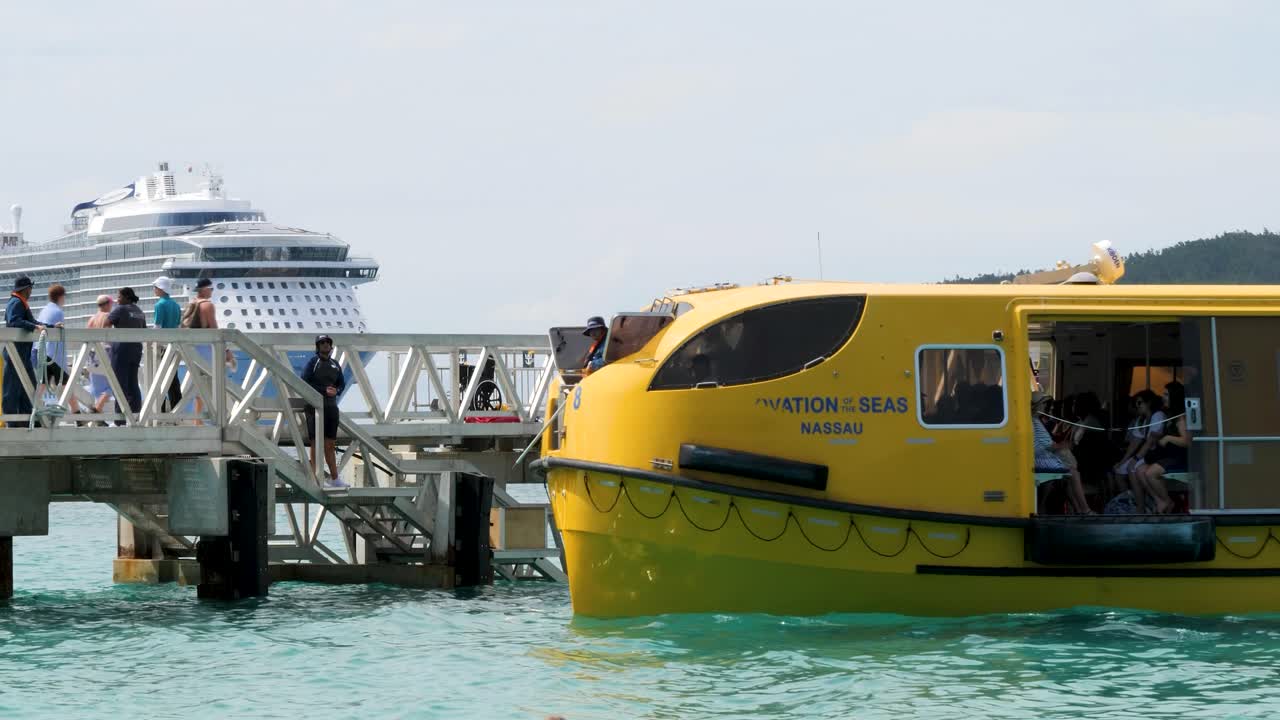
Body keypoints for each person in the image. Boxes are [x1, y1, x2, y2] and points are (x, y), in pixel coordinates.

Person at [1031, 391, 1091, 514]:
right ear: (1038, 406)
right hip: (1041, 460)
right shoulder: (1036, 422)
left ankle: (1076, 510)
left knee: (1068, 475)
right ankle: (1085, 509)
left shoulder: (1034, 421)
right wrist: (1068, 444)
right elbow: (1051, 446)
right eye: (1044, 404)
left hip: (1040, 458)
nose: (1046, 407)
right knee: (1073, 473)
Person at [1138, 381, 1191, 514]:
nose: (1163, 397)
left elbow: (1187, 441)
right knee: (1140, 470)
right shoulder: (1171, 415)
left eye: (1166, 394)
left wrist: (1168, 438)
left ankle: (1167, 501)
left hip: (1179, 457)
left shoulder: (1181, 418)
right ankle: (1159, 500)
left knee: (1150, 473)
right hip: (1168, 455)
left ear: (1174, 397)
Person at [301, 334, 347, 488]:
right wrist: (323, 390)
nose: (325, 344)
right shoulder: (313, 362)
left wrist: (337, 391)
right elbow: (303, 381)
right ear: (317, 346)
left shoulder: (335, 364)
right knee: (315, 443)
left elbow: (342, 383)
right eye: (322, 342)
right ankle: (316, 478)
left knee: (330, 444)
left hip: (331, 407)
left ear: (331, 345)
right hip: (314, 407)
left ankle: (334, 478)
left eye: (328, 342)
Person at [3, 276, 49, 420]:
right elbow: (14, 320)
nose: (31, 291)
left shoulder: (21, 303)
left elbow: (33, 321)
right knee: (12, 388)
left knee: (28, 386)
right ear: (25, 289)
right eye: (30, 288)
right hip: (15, 353)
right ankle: (11, 421)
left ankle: (28, 419)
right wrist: (34, 327)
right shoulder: (16, 302)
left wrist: (51, 327)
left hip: (23, 354)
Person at [30, 284, 79, 416]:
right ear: (61, 297)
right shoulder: (58, 312)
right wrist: (62, 363)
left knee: (44, 384)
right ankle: (78, 415)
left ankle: (35, 411)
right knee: (65, 384)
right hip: (51, 355)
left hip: (38, 351)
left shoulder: (44, 310)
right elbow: (58, 339)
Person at [106, 287, 146, 423]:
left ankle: (119, 419)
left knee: (119, 384)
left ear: (126, 297)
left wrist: (110, 341)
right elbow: (144, 330)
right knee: (133, 383)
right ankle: (136, 415)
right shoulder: (140, 311)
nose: (117, 300)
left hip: (121, 350)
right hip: (136, 350)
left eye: (119, 297)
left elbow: (105, 325)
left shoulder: (120, 309)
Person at [1128, 389, 1167, 513]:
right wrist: (1123, 460)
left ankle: (1145, 505)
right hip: (1151, 455)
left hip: (1159, 455)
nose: (1137, 406)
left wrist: (1136, 458)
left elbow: (1151, 441)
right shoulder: (1144, 419)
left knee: (1135, 468)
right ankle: (1145, 504)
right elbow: (1135, 442)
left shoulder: (1158, 415)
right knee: (1129, 468)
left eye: (1139, 403)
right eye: (1135, 404)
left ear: (1148, 403)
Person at [152, 276, 183, 412]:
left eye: (155, 287)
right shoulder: (176, 305)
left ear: (160, 289)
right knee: (173, 377)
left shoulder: (159, 305)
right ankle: (177, 406)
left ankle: (161, 408)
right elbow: (177, 325)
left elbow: (157, 326)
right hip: (174, 345)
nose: (154, 290)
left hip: (162, 347)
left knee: (159, 377)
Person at [86, 295, 115, 416]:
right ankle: (98, 408)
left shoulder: (92, 319)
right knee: (114, 385)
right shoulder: (108, 317)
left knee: (96, 388)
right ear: (108, 304)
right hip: (105, 353)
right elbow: (110, 338)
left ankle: (97, 414)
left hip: (92, 355)